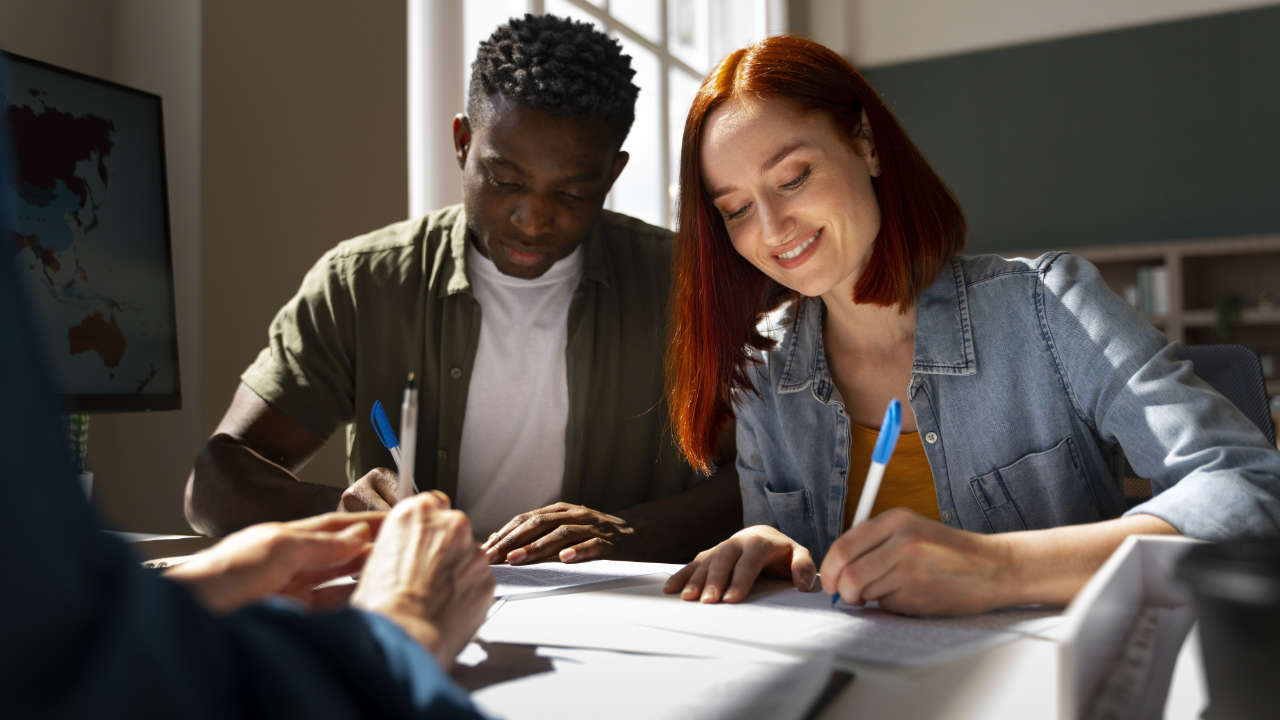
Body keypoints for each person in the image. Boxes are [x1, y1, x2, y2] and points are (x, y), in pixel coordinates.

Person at [660, 35, 1280, 615]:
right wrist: (767, 545)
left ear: (868, 145)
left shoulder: (1047, 307)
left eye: (793, 177)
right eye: (737, 210)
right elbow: (806, 591)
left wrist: (999, 568)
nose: (771, 230)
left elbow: (1249, 491)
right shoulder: (763, 365)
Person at [0, 89, 492, 716]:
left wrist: (193, 588)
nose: (533, 219)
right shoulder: (365, 278)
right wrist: (400, 632)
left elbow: (46, 638)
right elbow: (70, 678)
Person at [184, 14, 740, 565]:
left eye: (571, 193)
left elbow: (767, 478)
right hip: (415, 613)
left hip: (632, 623)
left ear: (612, 176)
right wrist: (339, 513)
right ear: (462, 142)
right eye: (505, 181)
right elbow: (214, 482)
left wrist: (629, 533)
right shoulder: (364, 284)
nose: (532, 220)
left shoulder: (685, 285)